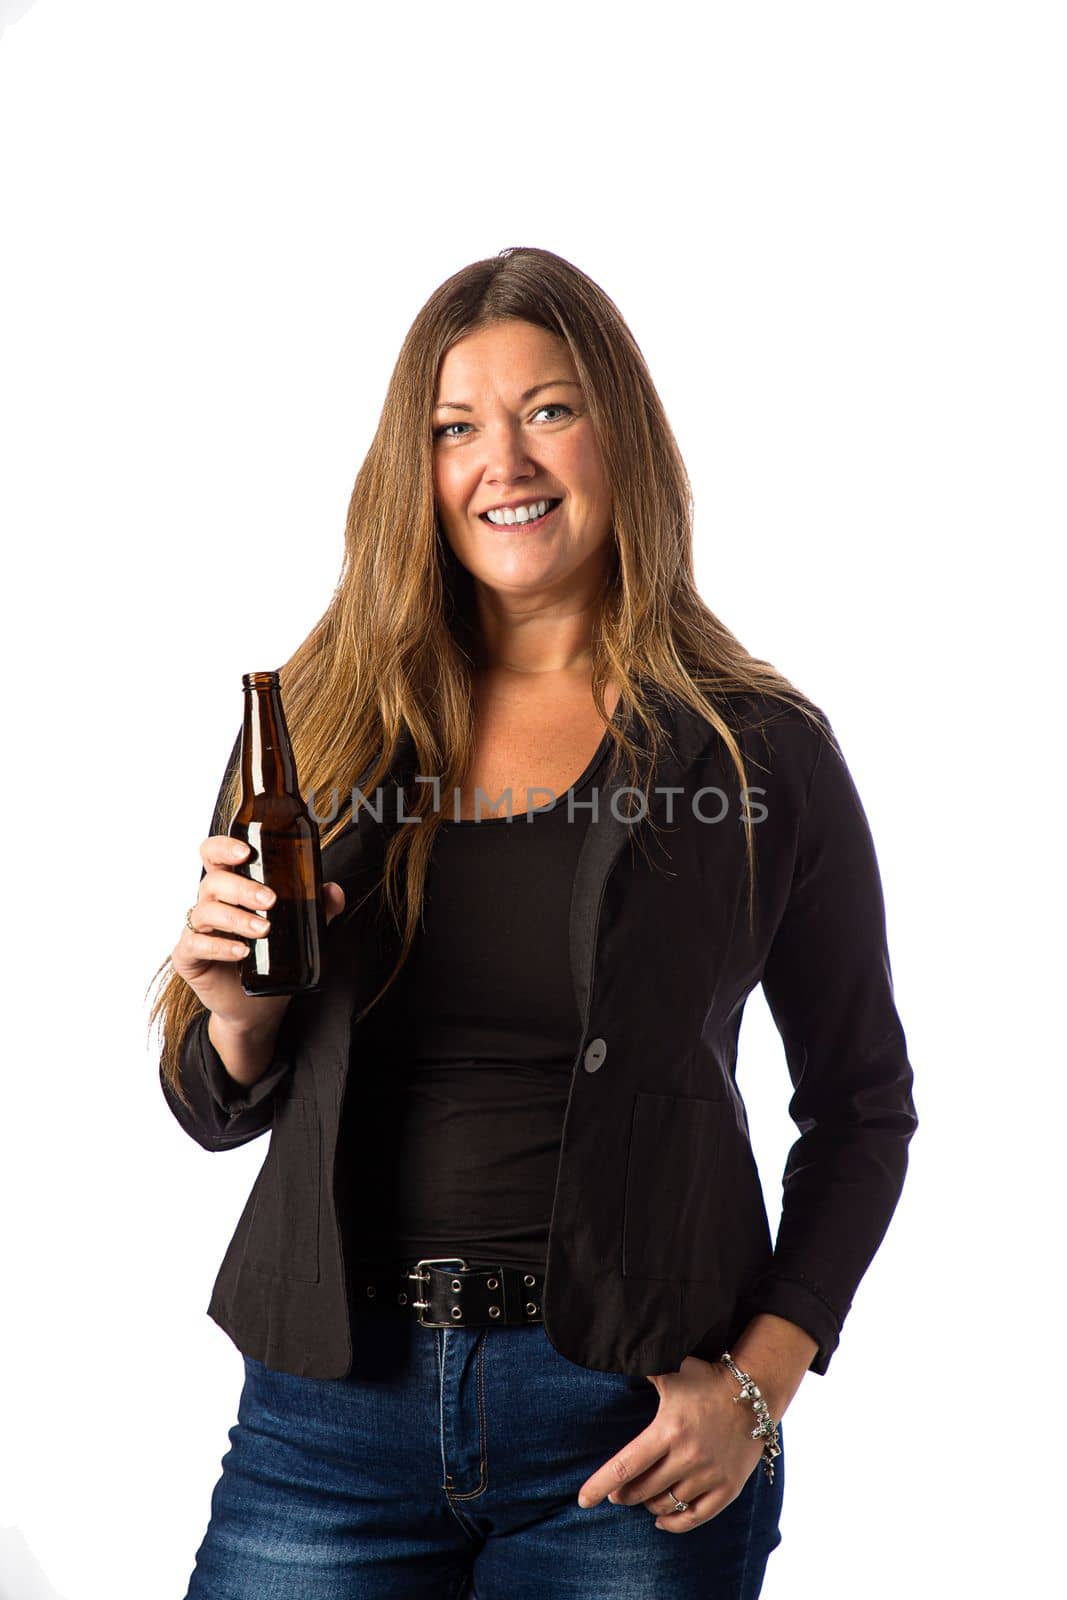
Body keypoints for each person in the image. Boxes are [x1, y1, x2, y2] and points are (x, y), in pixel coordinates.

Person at [149, 246, 918, 1599]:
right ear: (418, 468)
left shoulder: (758, 751)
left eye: (548, 410)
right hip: (327, 1417)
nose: (502, 461)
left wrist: (761, 1384)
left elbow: (861, 1106)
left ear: (620, 434)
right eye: (455, 428)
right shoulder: (320, 723)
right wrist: (235, 1020)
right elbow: (213, 1106)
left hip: (628, 1432)